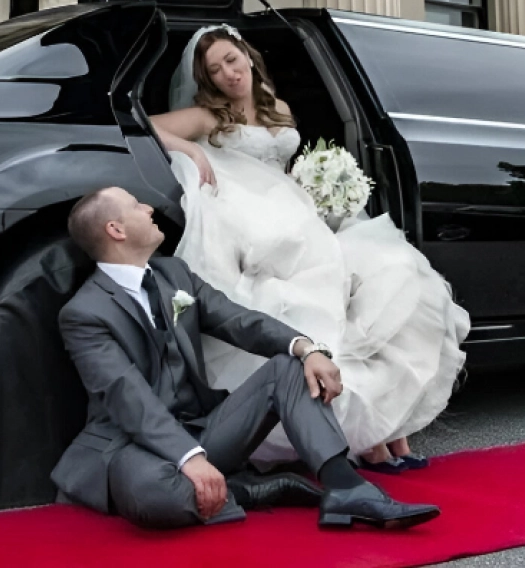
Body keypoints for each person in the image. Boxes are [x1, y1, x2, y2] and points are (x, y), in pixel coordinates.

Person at [150, 24, 470, 471]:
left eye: (232, 59)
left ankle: (390, 433)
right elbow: (145, 127)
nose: (228, 73)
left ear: (246, 55)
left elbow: (284, 166)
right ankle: (367, 442)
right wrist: (194, 151)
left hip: (300, 214)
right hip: (258, 224)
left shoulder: (276, 107)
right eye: (215, 69)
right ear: (206, 79)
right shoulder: (210, 116)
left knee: (395, 275)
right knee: (318, 308)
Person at [51, 186, 440, 530]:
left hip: (205, 428)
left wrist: (308, 347)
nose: (149, 209)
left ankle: (347, 488)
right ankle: (251, 490)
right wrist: (188, 457)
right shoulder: (84, 313)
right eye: (136, 206)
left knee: (289, 367)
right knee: (156, 497)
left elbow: (239, 321)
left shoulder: (174, 274)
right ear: (115, 230)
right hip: (134, 446)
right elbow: (127, 397)